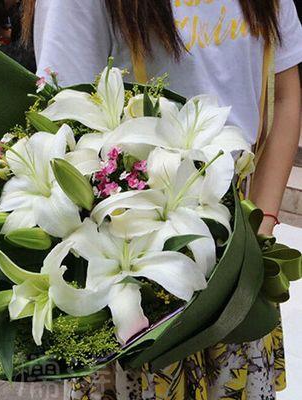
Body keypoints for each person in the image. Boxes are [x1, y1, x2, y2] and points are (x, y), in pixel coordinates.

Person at [23, 0, 302, 398]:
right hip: (140, 274)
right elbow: (62, 128)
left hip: (241, 243)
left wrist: (261, 227)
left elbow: (285, 95)